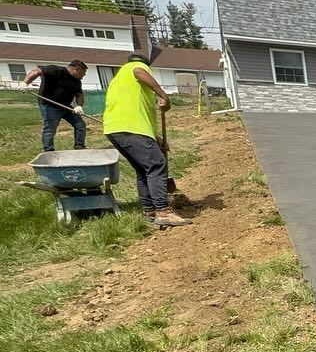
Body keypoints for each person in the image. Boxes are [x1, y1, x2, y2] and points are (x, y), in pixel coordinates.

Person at [102, 54, 189, 227]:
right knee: (157, 164)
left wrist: (156, 138)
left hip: (116, 129)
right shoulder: (135, 68)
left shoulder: (121, 80)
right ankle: (163, 211)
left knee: (144, 170)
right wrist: (164, 95)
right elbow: (139, 71)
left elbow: (137, 112)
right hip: (130, 128)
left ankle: (149, 211)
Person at [20, 60, 87, 152]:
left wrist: (79, 106)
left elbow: (79, 94)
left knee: (80, 124)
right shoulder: (55, 70)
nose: (84, 75)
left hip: (65, 106)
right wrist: (25, 83)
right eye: (84, 72)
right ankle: (48, 150)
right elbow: (36, 72)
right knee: (50, 128)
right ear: (77, 69)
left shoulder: (77, 82)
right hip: (49, 106)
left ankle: (79, 146)